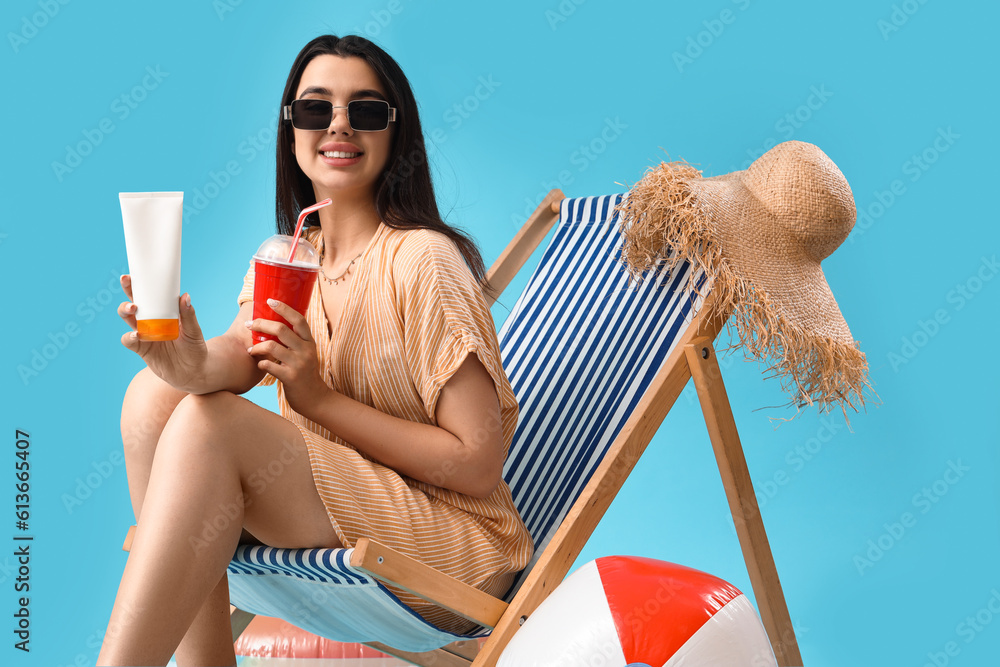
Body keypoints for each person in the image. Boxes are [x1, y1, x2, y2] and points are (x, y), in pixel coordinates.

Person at [98, 34, 532, 667]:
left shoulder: (423, 261)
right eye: (314, 108)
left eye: (364, 110)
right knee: (152, 399)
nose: (338, 125)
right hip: (345, 509)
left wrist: (317, 399)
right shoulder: (289, 258)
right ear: (291, 130)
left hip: (454, 549)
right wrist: (184, 360)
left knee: (211, 426)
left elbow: (475, 463)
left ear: (393, 130)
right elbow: (236, 352)